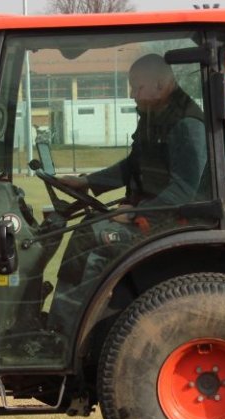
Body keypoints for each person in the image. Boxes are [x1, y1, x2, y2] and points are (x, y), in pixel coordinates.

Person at [45, 53, 209, 331]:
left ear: (160, 85)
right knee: (86, 231)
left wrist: (135, 214)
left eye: (137, 87)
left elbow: (183, 190)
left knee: (101, 244)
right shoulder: (155, 116)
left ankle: (70, 334)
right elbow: (134, 166)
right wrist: (86, 182)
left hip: (179, 221)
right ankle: (59, 324)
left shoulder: (187, 124)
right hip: (157, 214)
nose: (132, 94)